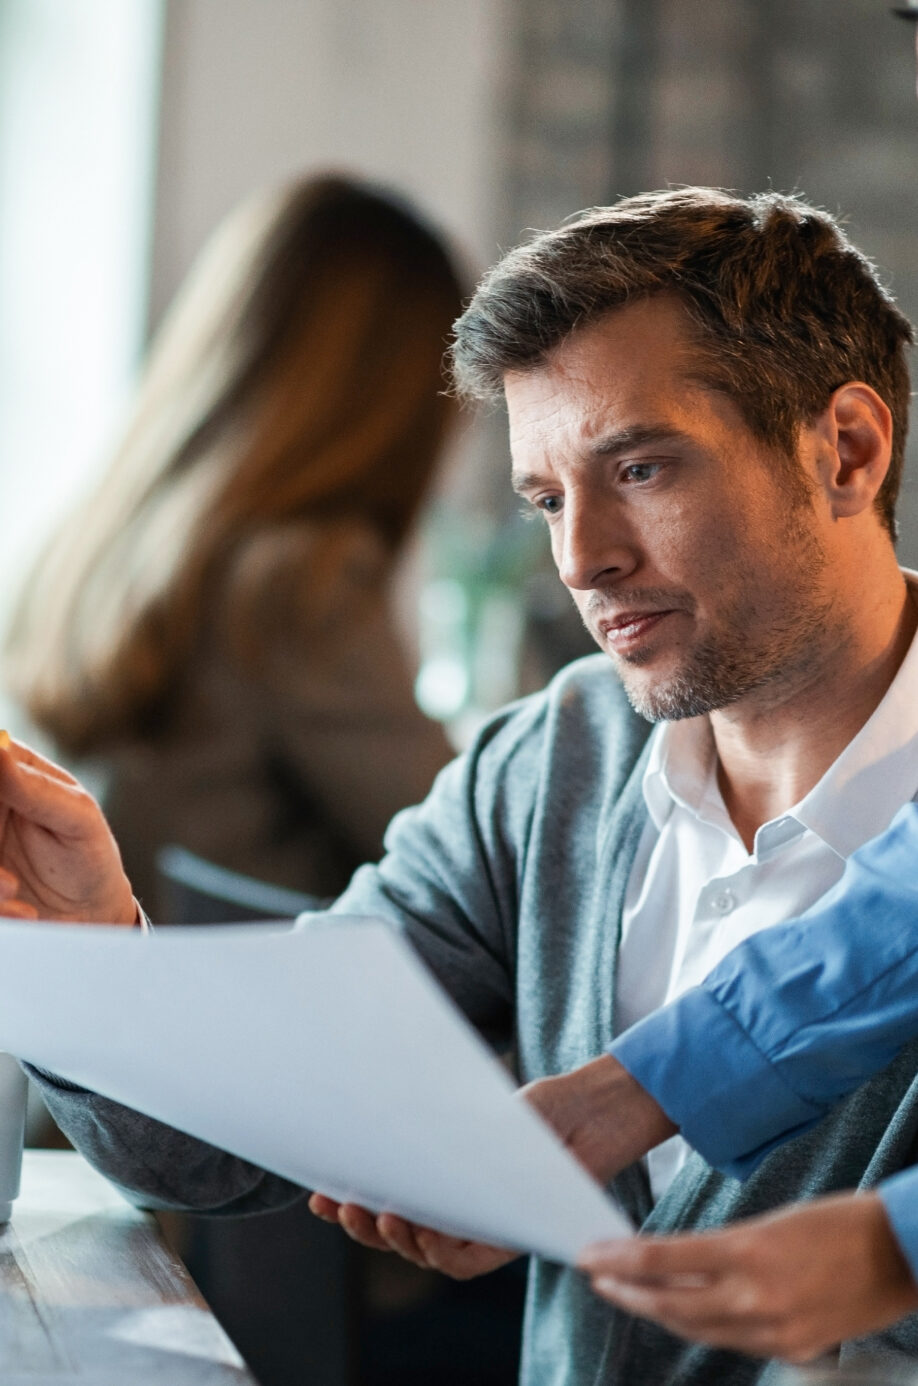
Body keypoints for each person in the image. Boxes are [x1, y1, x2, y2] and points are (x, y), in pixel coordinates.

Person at [3, 185, 918, 1383]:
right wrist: (92, 956)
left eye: (638, 468)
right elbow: (220, 1149)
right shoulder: (551, 764)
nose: (582, 558)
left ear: (845, 450)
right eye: (546, 498)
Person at [3, 174, 458, 910]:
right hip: (224, 1000)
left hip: (87, 988)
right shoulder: (298, 578)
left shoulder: (95, 537)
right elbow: (464, 847)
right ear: (394, 398)